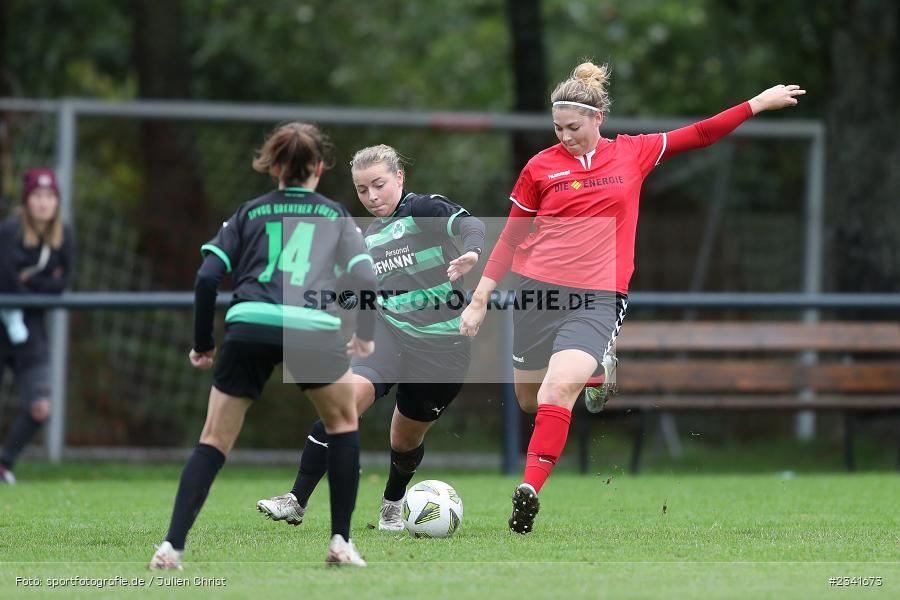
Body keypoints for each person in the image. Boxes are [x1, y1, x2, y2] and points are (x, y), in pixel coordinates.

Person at [459, 61, 805, 534]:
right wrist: (480, 298)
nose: (565, 136)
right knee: (528, 401)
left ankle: (529, 491)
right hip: (537, 293)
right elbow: (511, 238)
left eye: (574, 127)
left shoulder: (633, 153)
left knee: (556, 390)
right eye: (558, 128)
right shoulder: (539, 168)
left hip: (599, 295)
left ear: (598, 118)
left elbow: (701, 134)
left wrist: (756, 104)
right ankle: (600, 370)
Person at [149, 122, 378, 569]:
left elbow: (206, 278)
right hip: (312, 328)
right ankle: (340, 543)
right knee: (343, 424)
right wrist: (365, 335)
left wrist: (203, 344)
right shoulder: (334, 214)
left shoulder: (249, 213)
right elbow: (365, 276)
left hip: (250, 324)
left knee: (213, 439)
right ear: (317, 168)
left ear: (273, 165)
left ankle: (171, 547)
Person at [256, 144, 485, 530]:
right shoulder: (369, 238)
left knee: (404, 440)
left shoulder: (423, 209)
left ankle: (392, 504)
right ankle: (296, 499)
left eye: (379, 185)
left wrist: (473, 253)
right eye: (363, 190)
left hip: (443, 349)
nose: (372, 197)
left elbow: (472, 225)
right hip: (390, 334)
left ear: (399, 178)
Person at [0, 168, 74, 484]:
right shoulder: (10, 231)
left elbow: (63, 283)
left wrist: (30, 283)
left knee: (41, 405)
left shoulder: (64, 235)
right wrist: (40, 285)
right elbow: (7, 280)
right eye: (37, 196)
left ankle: (4, 464)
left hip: (32, 327)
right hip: (2, 323)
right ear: (27, 200)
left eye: (49, 196)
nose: (44, 203)